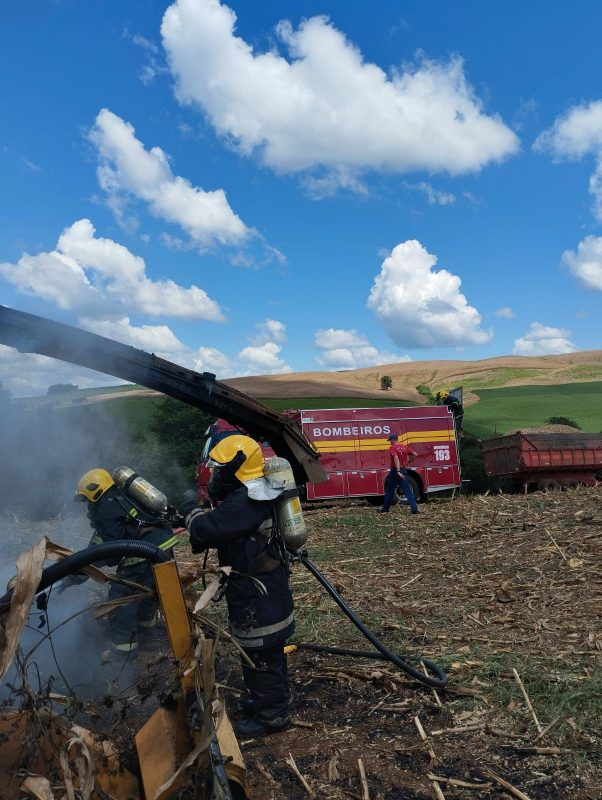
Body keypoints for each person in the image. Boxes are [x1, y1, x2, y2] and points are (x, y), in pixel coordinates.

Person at [179, 434, 294, 739]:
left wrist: (190, 511)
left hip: (260, 594)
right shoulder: (250, 494)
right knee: (256, 651)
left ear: (237, 469)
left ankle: (274, 716)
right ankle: (263, 701)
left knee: (264, 653)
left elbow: (209, 529)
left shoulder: (248, 500)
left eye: (221, 469)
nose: (216, 475)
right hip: (260, 589)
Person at [70, 468, 177, 659]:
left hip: (143, 551)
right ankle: (146, 630)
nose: (87, 506)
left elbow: (110, 551)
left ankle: (123, 649)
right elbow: (100, 543)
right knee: (148, 590)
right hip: (163, 548)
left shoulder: (106, 507)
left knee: (123, 596)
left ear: (95, 490)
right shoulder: (122, 496)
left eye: (87, 499)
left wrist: (80, 572)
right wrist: (80, 569)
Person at [377, 433, 419, 514]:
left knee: (389, 491)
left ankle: (385, 509)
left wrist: (398, 471)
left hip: (395, 471)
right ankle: (415, 509)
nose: (390, 442)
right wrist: (407, 463)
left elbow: (395, 458)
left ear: (393, 440)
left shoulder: (393, 447)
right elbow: (415, 454)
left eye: (390, 441)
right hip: (403, 470)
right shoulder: (404, 446)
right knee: (407, 491)